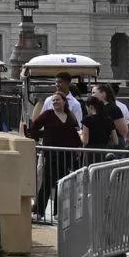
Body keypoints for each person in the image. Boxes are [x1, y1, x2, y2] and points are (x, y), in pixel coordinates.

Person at [25, 79, 82, 224]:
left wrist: (78, 148)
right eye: (53, 100)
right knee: (47, 182)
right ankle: (39, 212)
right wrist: (42, 137)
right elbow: (34, 128)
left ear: (64, 102)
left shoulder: (69, 115)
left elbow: (74, 133)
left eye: (58, 100)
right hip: (51, 153)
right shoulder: (48, 114)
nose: (55, 102)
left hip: (66, 154)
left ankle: (58, 212)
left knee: (61, 183)